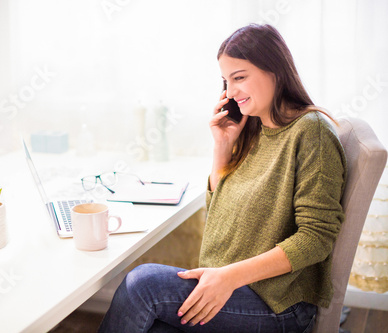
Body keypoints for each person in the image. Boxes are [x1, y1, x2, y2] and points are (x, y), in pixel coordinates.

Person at [98, 23, 347, 333]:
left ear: (276, 71)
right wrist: (222, 148)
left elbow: (316, 238)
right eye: (226, 81)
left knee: (142, 284)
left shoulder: (311, 133)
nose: (230, 93)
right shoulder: (253, 128)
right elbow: (219, 214)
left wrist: (229, 277)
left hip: (277, 305)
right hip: (232, 288)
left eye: (240, 77)